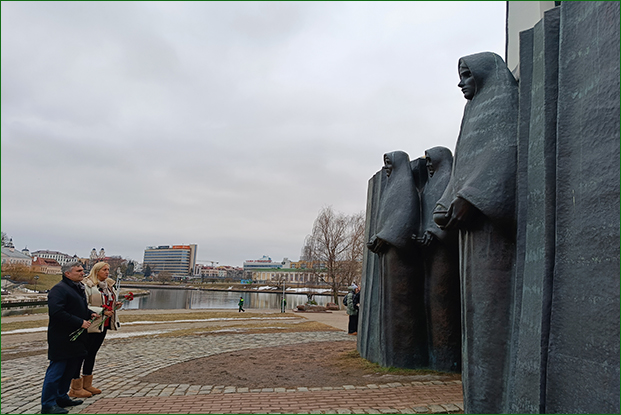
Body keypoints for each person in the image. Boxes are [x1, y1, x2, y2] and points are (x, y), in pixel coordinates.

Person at [434, 52, 518, 414]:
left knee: (490, 312)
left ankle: (494, 401)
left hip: (493, 234)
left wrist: (472, 198)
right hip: (472, 232)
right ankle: (478, 400)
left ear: (483, 75)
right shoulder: (473, 113)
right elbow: (465, 165)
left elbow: (504, 154)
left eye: (466, 75)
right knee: (474, 316)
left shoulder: (504, 103)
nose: (460, 82)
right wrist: (445, 204)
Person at [40, 261, 98, 414]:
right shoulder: (59, 290)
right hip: (62, 337)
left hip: (77, 338)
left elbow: (78, 308)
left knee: (70, 370)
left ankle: (61, 397)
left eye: (82, 270)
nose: (82, 273)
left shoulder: (77, 288)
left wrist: (89, 313)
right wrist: (80, 322)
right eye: (78, 270)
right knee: (57, 370)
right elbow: (57, 312)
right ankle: (48, 404)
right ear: (67, 274)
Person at [72, 262, 121, 397]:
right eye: (104, 270)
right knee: (81, 354)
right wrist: (102, 310)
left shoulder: (109, 286)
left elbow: (107, 301)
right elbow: (83, 305)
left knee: (92, 353)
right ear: (96, 271)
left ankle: (87, 384)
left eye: (108, 270)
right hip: (90, 324)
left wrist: (114, 305)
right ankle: (75, 386)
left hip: (102, 325)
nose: (107, 272)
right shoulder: (87, 285)